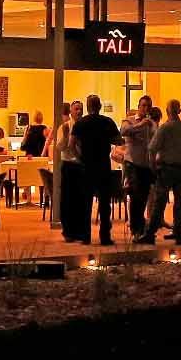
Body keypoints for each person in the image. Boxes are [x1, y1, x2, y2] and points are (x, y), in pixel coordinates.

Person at [141, 98, 181, 243]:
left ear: (168, 110)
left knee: (159, 202)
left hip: (167, 168)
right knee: (180, 203)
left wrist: (153, 166)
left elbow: (152, 149)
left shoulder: (165, 128)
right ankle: (179, 234)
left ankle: (150, 233)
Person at [71, 94, 121, 246]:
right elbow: (117, 140)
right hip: (103, 165)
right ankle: (105, 236)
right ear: (99, 106)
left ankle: (85, 236)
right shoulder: (107, 122)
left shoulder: (80, 123)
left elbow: (71, 144)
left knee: (85, 202)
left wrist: (79, 158)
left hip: (86, 166)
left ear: (87, 107)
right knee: (105, 203)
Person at [121, 95, 156, 240]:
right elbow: (123, 132)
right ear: (139, 106)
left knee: (143, 197)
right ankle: (136, 229)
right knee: (135, 196)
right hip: (133, 164)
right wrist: (140, 125)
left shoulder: (151, 124)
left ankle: (141, 228)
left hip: (146, 165)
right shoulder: (129, 120)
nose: (146, 108)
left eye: (148, 106)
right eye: (143, 106)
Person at [54, 102, 83, 241]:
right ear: (71, 111)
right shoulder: (64, 127)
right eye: (76, 109)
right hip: (69, 165)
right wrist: (66, 136)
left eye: (81, 109)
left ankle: (79, 230)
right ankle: (68, 231)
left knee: (80, 199)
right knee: (67, 199)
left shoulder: (84, 126)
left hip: (81, 165)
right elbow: (59, 147)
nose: (79, 111)